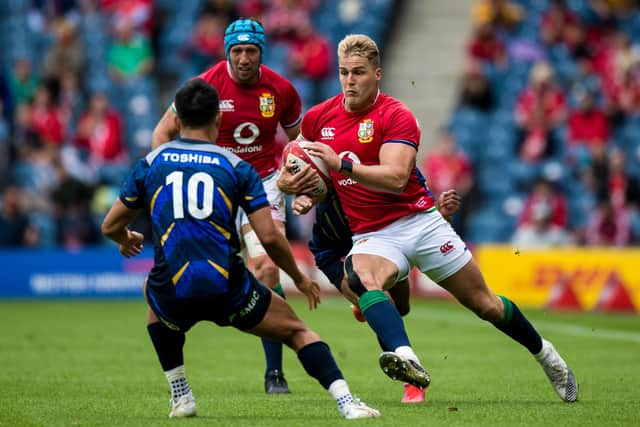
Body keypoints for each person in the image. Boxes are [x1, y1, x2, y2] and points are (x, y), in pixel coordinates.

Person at [293, 34, 578, 403]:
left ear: (377, 74)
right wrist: (303, 190)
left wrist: (342, 164)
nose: (349, 81)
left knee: (485, 305)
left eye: (359, 73)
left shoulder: (396, 116)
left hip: (419, 222)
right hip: (373, 233)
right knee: (361, 278)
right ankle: (408, 362)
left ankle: (546, 355)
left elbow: (396, 178)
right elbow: (296, 165)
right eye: (344, 72)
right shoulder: (318, 118)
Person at [101, 78, 380, 420]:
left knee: (153, 295)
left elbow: (110, 225)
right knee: (297, 331)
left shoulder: (150, 164)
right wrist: (299, 277)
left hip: (172, 287)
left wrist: (126, 239)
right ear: (218, 119)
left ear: (177, 120)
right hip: (227, 286)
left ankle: (181, 393)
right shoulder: (237, 168)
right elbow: (270, 236)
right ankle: (346, 403)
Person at [151, 18, 303, 393]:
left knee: (267, 267)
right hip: (215, 182)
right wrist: (165, 180)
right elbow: (162, 132)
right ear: (227, 52)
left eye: (251, 51)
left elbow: (301, 144)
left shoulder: (281, 90)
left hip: (263, 182)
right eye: (237, 51)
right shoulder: (205, 86)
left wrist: (301, 182)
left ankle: (274, 373)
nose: (244, 58)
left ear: (261, 52)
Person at [278, 161, 460, 403]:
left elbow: (418, 226)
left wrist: (441, 214)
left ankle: (367, 302)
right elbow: (297, 173)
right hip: (333, 251)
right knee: (376, 299)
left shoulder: (384, 177)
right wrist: (301, 196)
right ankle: (412, 382)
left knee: (401, 308)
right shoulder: (332, 198)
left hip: (384, 241)